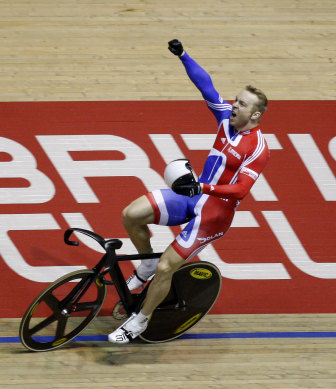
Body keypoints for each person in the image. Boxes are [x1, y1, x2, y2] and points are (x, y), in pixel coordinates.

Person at [108, 39, 270, 343]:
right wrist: (184, 56)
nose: (235, 105)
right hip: (193, 196)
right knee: (131, 215)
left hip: (213, 215)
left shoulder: (258, 148)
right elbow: (205, 86)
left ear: (256, 115)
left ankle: (140, 321)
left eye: (243, 104)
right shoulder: (225, 118)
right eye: (236, 100)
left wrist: (204, 186)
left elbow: (240, 190)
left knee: (169, 266)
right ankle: (146, 265)